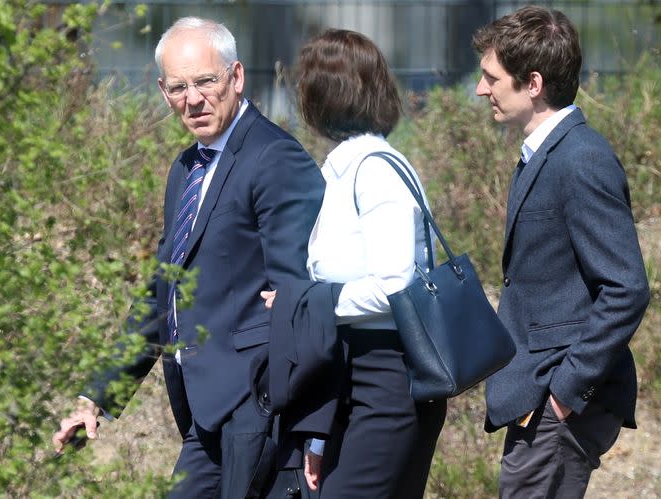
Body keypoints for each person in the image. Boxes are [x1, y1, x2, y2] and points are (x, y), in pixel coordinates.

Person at [52, 17, 325, 498]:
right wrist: (96, 398)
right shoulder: (185, 170)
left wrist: (314, 428)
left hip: (261, 407)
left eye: (205, 81)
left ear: (235, 78)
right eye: (178, 87)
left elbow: (305, 299)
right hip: (205, 409)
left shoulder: (275, 159)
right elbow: (161, 295)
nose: (193, 99)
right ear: (162, 91)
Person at [473, 6, 651, 498]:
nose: (481, 89)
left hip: (556, 404)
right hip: (538, 396)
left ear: (532, 83)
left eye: (492, 78)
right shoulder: (545, 154)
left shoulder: (581, 158)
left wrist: (567, 392)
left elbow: (627, 288)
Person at [264, 29, 447, 498]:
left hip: (388, 380)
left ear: (318, 97)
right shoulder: (341, 172)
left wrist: (306, 303)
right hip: (352, 375)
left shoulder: (376, 171)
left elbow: (394, 283)